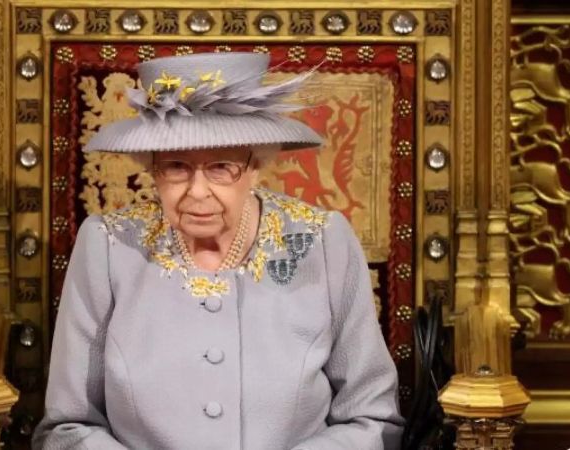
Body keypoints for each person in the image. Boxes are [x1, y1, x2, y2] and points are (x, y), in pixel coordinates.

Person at [33, 52, 404, 450]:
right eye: (176, 166)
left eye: (221, 167)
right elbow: (67, 428)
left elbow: (372, 419)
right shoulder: (107, 247)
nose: (197, 191)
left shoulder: (322, 240)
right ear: (152, 168)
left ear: (257, 164)